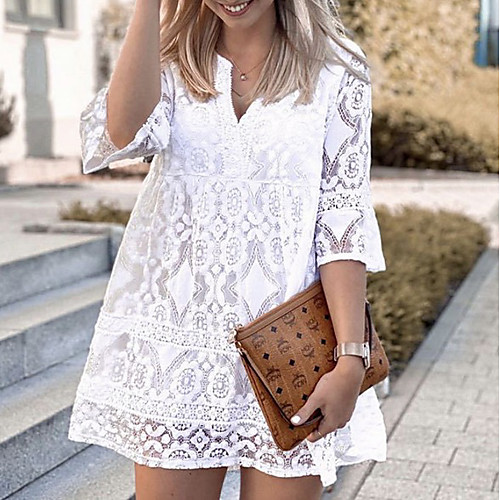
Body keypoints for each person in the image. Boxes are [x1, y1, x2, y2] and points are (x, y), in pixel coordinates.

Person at [67, 1, 388, 499]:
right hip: (178, 346)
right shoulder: (170, 61)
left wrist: (351, 358)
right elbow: (122, 132)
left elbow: (341, 217)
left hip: (289, 347)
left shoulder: (336, 69)